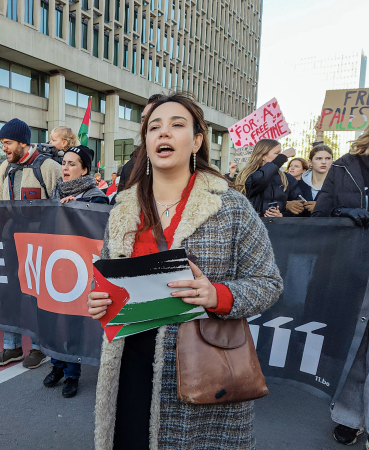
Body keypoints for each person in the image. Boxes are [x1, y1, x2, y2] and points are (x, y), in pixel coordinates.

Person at [88, 92, 283, 450]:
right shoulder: (122, 206)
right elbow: (105, 276)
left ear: (196, 140)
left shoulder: (230, 207)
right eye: (154, 127)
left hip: (204, 364)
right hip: (129, 362)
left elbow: (268, 283)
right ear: (146, 142)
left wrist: (217, 295)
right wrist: (98, 300)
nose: (164, 133)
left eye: (177, 125)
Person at [0, 118, 61, 369]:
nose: (4, 148)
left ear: (23, 142)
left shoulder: (49, 167)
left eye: (8, 143)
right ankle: (11, 347)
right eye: (2, 144)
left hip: (40, 241)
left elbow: (60, 204)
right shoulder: (5, 167)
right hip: (11, 237)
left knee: (35, 295)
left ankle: (38, 346)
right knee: (9, 293)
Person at [313, 128, 369, 447]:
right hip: (353, 269)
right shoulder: (343, 166)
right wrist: (345, 213)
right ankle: (349, 416)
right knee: (355, 346)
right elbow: (321, 215)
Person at [43, 145, 108, 398]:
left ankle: (72, 374)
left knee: (72, 322)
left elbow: (101, 229)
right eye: (64, 163)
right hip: (55, 264)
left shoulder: (95, 196)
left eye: (72, 164)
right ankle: (57, 365)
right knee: (52, 317)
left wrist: (80, 209)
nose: (66, 168)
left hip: (80, 270)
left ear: (84, 169)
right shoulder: (55, 192)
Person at [235, 139, 302, 217]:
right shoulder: (247, 176)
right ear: (263, 156)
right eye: (277, 153)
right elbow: (261, 179)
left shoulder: (288, 179)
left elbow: (299, 208)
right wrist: (282, 157)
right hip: (253, 225)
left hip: (278, 227)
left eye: (281, 153)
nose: (280, 156)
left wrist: (282, 215)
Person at [117, 93, 167, 195]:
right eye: (143, 120)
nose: (147, 125)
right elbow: (117, 205)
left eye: (154, 118)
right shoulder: (131, 166)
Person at [295, 145, 333, 216]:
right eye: (319, 159)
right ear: (310, 162)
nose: (324, 162)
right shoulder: (297, 185)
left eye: (328, 158)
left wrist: (322, 208)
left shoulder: (339, 185)